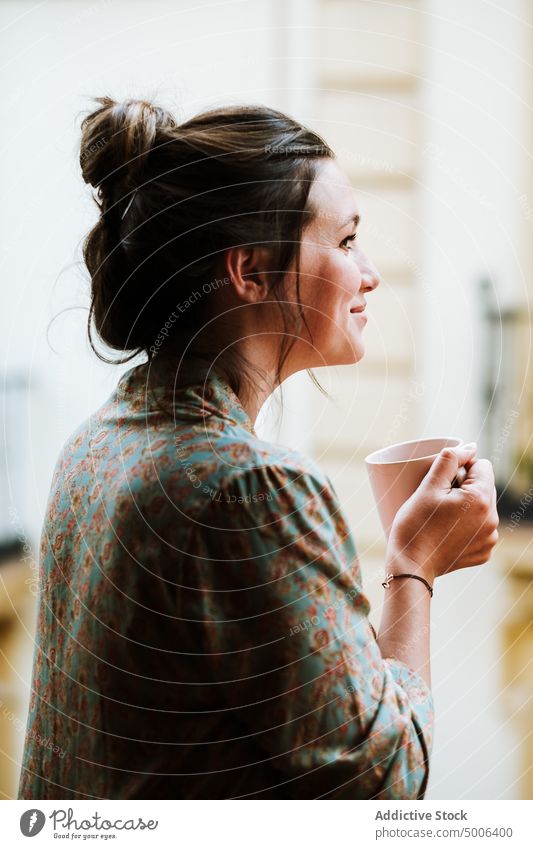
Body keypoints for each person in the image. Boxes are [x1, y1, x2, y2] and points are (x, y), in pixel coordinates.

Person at [18, 97, 499, 800]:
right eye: (343, 242)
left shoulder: (96, 444)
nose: (368, 273)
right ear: (247, 271)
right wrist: (414, 567)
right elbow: (385, 785)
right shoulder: (248, 489)